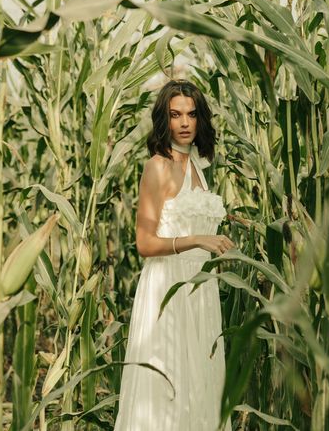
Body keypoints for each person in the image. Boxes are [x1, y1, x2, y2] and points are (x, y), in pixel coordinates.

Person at [114, 79, 235, 431]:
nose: (184, 122)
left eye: (192, 114)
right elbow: (145, 243)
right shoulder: (158, 167)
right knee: (168, 388)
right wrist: (196, 240)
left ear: (200, 120)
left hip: (200, 291)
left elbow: (196, 216)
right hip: (168, 288)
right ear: (164, 120)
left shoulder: (197, 167)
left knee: (199, 385)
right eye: (176, 114)